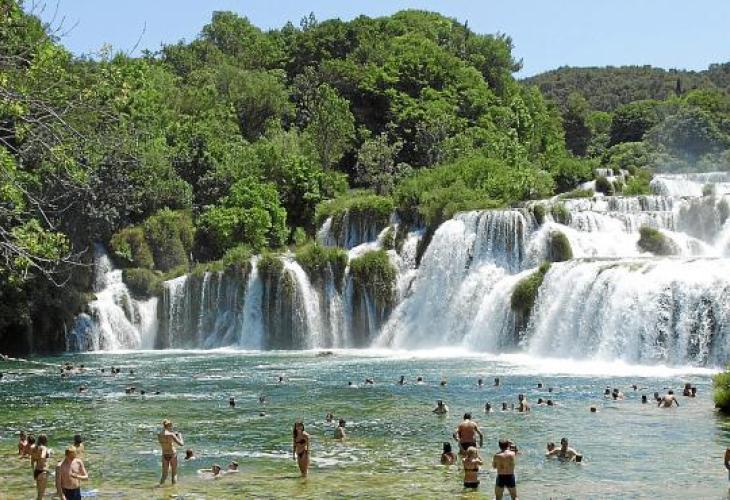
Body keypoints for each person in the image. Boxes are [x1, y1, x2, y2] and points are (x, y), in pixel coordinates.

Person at [157, 419, 184, 485]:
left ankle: (160, 486)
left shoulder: (159, 434)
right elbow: (181, 444)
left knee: (164, 474)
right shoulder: (171, 435)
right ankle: (173, 488)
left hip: (164, 454)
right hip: (172, 454)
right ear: (169, 426)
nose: (172, 427)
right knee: (174, 473)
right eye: (171, 426)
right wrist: (180, 436)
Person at [31, 434, 50, 500]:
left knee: (39, 495)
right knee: (41, 495)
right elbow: (42, 456)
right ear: (45, 440)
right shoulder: (44, 448)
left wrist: (33, 472)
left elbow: (32, 461)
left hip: (36, 471)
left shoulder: (34, 448)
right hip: (43, 471)